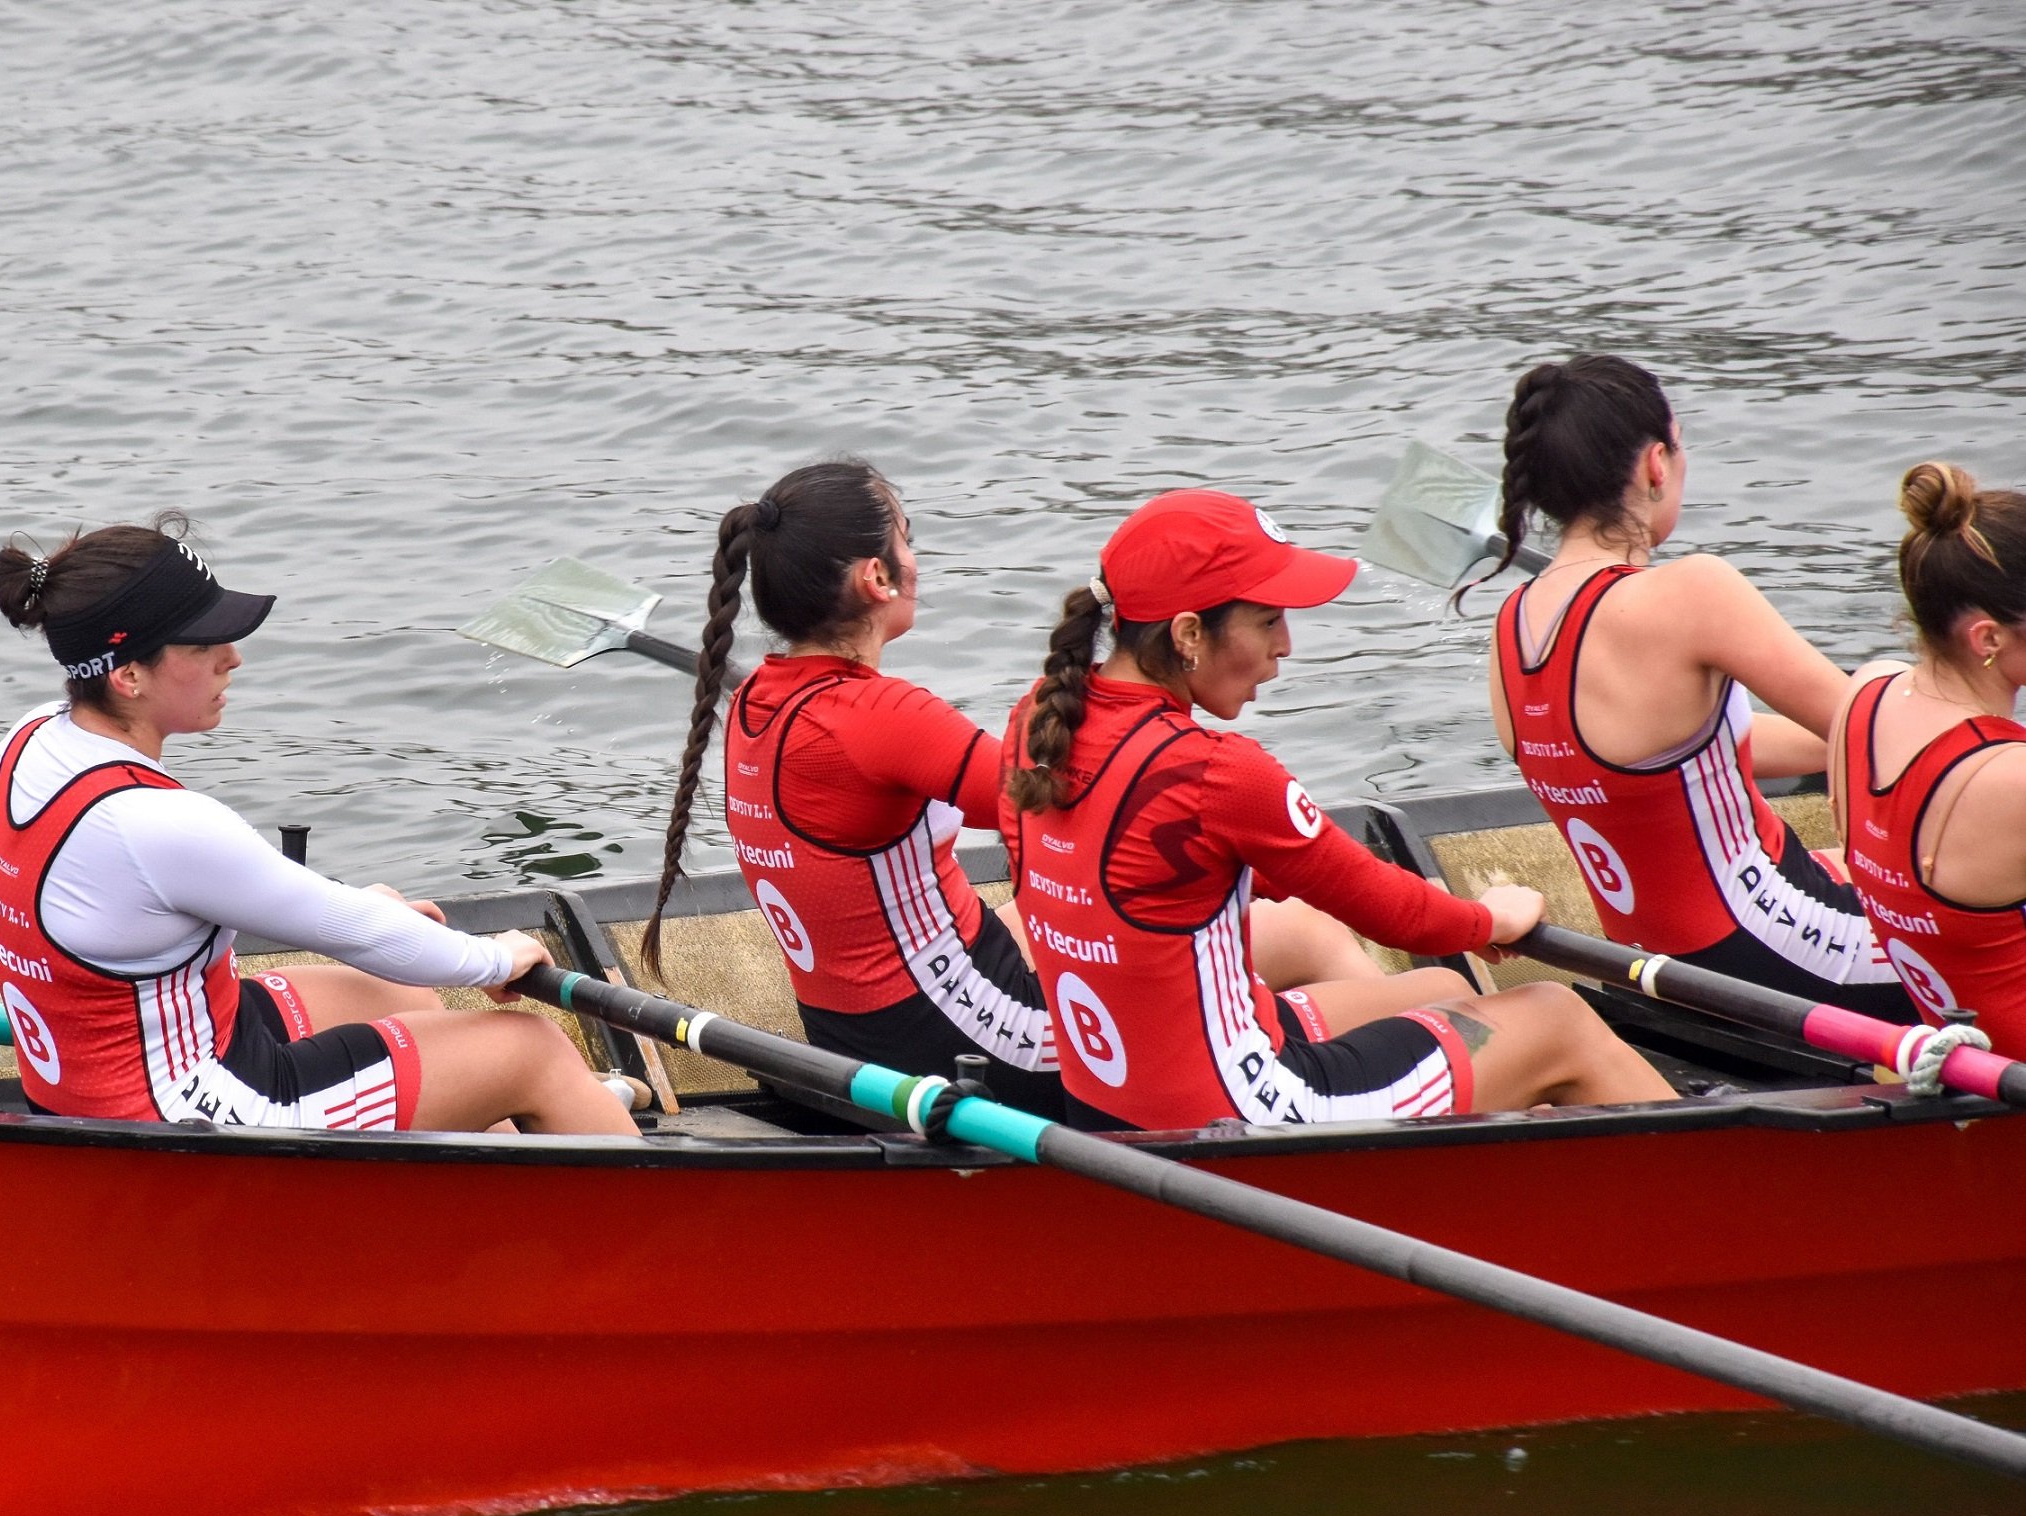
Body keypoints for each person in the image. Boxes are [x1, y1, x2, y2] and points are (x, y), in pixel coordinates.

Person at [636, 462, 1376, 1114]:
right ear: (877, 579)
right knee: (1313, 935)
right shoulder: (877, 716)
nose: (917, 560)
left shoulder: (757, 698)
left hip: (859, 1033)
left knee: (1275, 929)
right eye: (908, 540)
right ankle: (1352, 1098)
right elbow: (1078, 812)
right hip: (980, 1041)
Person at [1005, 488, 1675, 1133]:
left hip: (1110, 1103)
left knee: (1434, 994)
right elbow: (1398, 916)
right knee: (1557, 1018)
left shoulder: (1037, 720)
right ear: (1187, 634)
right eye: (1269, 621)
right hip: (1242, 1114)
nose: (1286, 645)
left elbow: (1155, 863)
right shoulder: (1215, 773)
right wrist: (1489, 920)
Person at [0, 515, 637, 1136]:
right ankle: (618, 1176)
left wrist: (370, 916)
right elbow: (351, 930)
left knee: (397, 989)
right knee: (532, 1048)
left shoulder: (33, 738)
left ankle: (502, 1163)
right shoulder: (154, 823)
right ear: (128, 675)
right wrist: (495, 959)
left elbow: (291, 905)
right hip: (187, 1121)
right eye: (204, 644)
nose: (232, 658)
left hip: (124, 1068)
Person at [1474, 353, 1915, 1020]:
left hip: (1650, 971)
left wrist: (1841, 737)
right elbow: (1889, 739)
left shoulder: (1511, 626)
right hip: (1777, 956)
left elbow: (1679, 765)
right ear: (1657, 464)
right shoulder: (1691, 591)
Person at [1831, 463, 2026, 1047]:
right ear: (1988, 638)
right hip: (2010, 1077)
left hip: (1956, 1043)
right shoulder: (2009, 777)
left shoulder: (1865, 694)